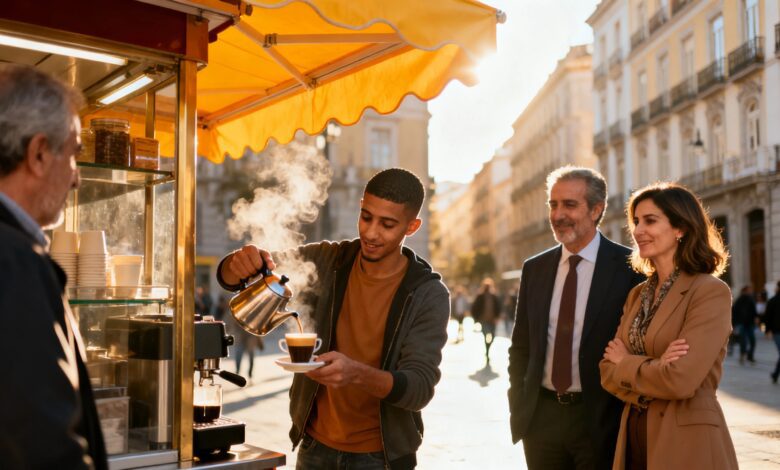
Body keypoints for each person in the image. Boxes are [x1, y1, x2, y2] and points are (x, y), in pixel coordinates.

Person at [217, 168, 449, 469]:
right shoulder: (329, 260)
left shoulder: (427, 293)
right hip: (314, 447)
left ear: (412, 226)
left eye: (387, 224)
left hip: (382, 458)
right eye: (366, 216)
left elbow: (419, 388)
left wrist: (357, 374)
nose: (370, 232)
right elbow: (238, 274)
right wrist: (237, 264)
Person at [0, 64, 107, 468]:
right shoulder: (16, 261)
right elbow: (42, 445)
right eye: (75, 153)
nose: (77, 178)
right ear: (39, 154)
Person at [508, 166, 643, 470]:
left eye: (569, 205)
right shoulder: (535, 268)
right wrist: (519, 406)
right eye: (553, 204)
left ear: (596, 210)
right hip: (540, 420)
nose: (558, 214)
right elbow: (521, 346)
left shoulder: (629, 270)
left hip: (598, 421)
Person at [600, 182, 738, 470]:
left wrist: (627, 362)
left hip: (687, 440)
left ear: (681, 228)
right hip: (634, 435)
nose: (638, 231)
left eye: (650, 220)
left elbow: (681, 380)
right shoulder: (638, 294)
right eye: (636, 221)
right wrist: (657, 365)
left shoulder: (709, 291)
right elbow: (606, 373)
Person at [472, 278, 501, 364]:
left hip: (492, 320)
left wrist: (497, 317)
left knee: (493, 336)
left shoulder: (494, 296)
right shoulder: (480, 296)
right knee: (486, 335)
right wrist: (476, 318)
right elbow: (474, 308)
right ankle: (487, 352)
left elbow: (498, 307)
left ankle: (488, 349)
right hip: (483, 320)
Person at [732, 285, 758, 364]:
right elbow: (734, 312)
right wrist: (734, 324)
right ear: (744, 291)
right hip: (741, 323)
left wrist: (756, 318)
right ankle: (743, 354)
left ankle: (749, 355)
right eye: (749, 290)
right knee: (743, 340)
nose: (750, 291)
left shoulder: (751, 299)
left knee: (752, 340)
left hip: (749, 323)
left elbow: (754, 311)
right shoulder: (739, 300)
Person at [765, 281, 780, 383]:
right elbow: (768, 316)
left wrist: (767, 330)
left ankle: (775, 374)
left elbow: (767, 317)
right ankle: (775, 374)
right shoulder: (773, 300)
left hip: (777, 331)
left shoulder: (772, 300)